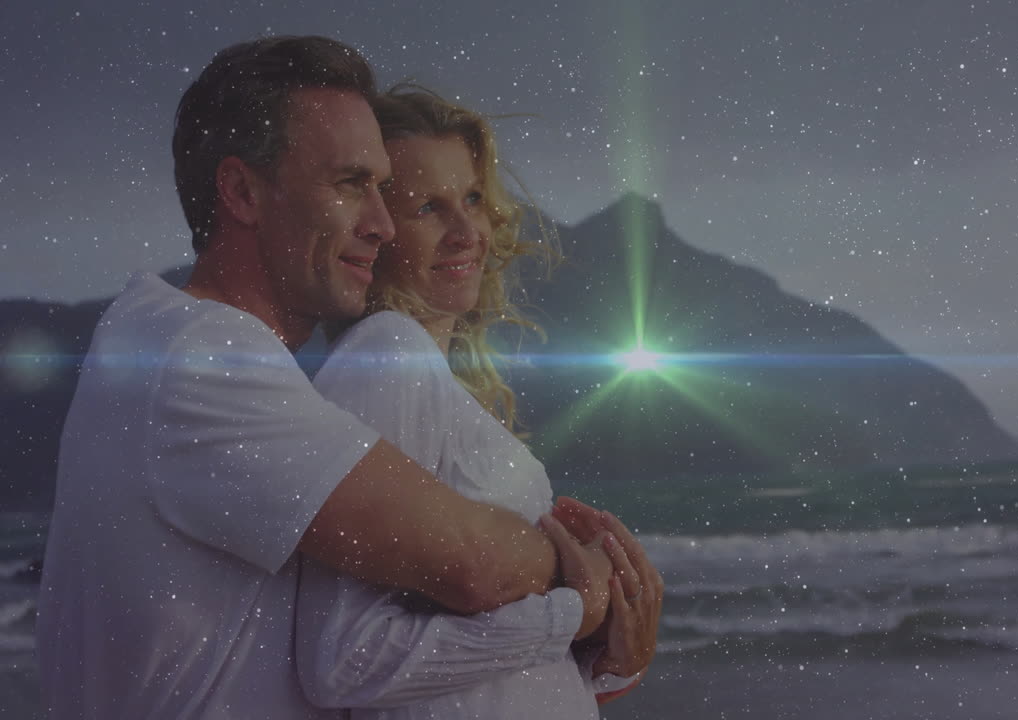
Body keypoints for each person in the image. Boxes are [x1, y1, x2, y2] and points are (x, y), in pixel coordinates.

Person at [37, 36, 621, 719]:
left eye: (382, 190)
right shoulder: (200, 357)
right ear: (242, 191)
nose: (379, 223)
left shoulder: (189, 351)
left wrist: (600, 651)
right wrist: (587, 587)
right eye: (351, 185)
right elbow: (465, 567)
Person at [294, 85, 661, 719]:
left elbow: (487, 667)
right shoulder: (388, 356)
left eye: (471, 198)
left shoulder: (427, 377)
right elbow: (346, 660)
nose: (467, 231)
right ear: (375, 228)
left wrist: (606, 656)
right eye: (427, 207)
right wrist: (575, 610)